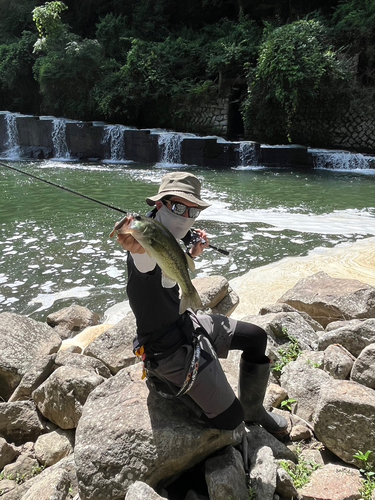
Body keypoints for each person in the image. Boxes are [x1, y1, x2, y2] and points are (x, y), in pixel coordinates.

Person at [116, 171, 287, 434]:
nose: (186, 216)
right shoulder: (143, 244)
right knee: (232, 421)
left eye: (193, 211)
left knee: (256, 337)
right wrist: (136, 247)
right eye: (179, 206)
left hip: (187, 323)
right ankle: (171, 387)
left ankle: (255, 410)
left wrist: (193, 251)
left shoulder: (168, 231)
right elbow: (146, 259)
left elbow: (172, 251)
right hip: (167, 350)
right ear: (159, 204)